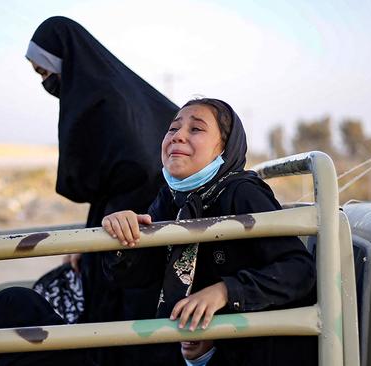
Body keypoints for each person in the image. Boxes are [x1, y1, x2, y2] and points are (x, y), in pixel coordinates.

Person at [0, 16, 178, 366]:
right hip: (119, 222)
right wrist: (89, 240)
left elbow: (137, 169)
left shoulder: (106, 101)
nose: (46, 82)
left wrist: (102, 239)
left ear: (66, 59)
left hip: (134, 229)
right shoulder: (111, 91)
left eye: (44, 71)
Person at [102, 98, 318, 365]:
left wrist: (226, 292)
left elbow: (299, 270)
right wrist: (123, 237)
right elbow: (140, 274)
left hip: (266, 350)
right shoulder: (171, 198)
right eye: (173, 129)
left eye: (196, 129)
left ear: (223, 149)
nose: (178, 136)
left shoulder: (243, 193)